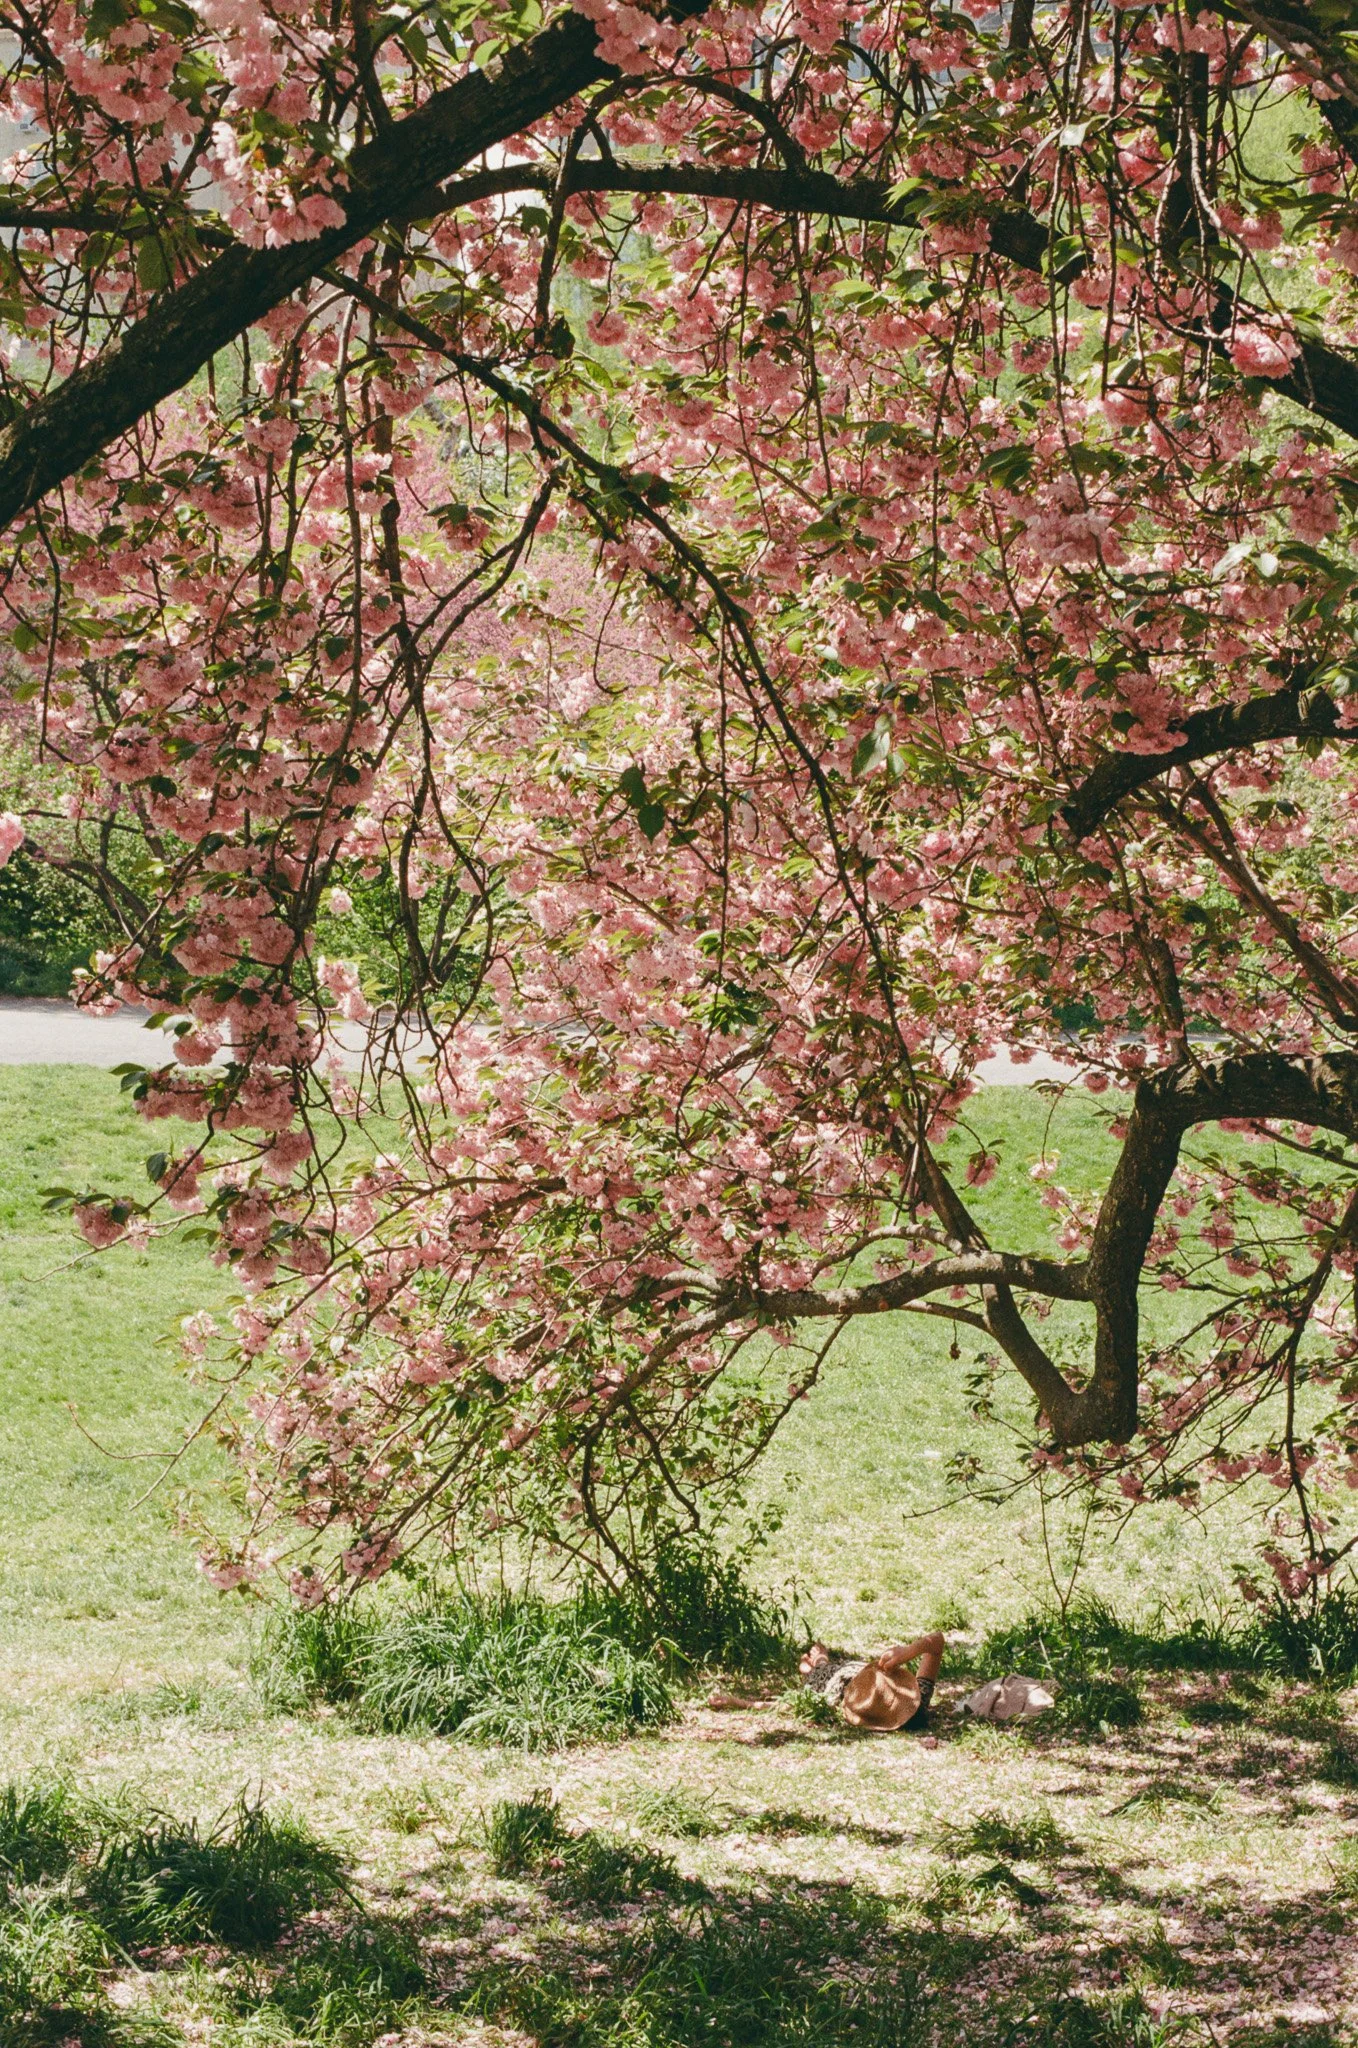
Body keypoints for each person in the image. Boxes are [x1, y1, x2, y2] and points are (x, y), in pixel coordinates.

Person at [800, 1630, 944, 1731]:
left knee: (817, 1671)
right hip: (863, 1675)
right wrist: (907, 1652)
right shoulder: (918, 1702)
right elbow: (937, 1639)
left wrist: (819, 1662)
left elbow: (826, 1683)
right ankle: (819, 1662)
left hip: (845, 1679)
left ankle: (819, 1661)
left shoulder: (842, 1693)